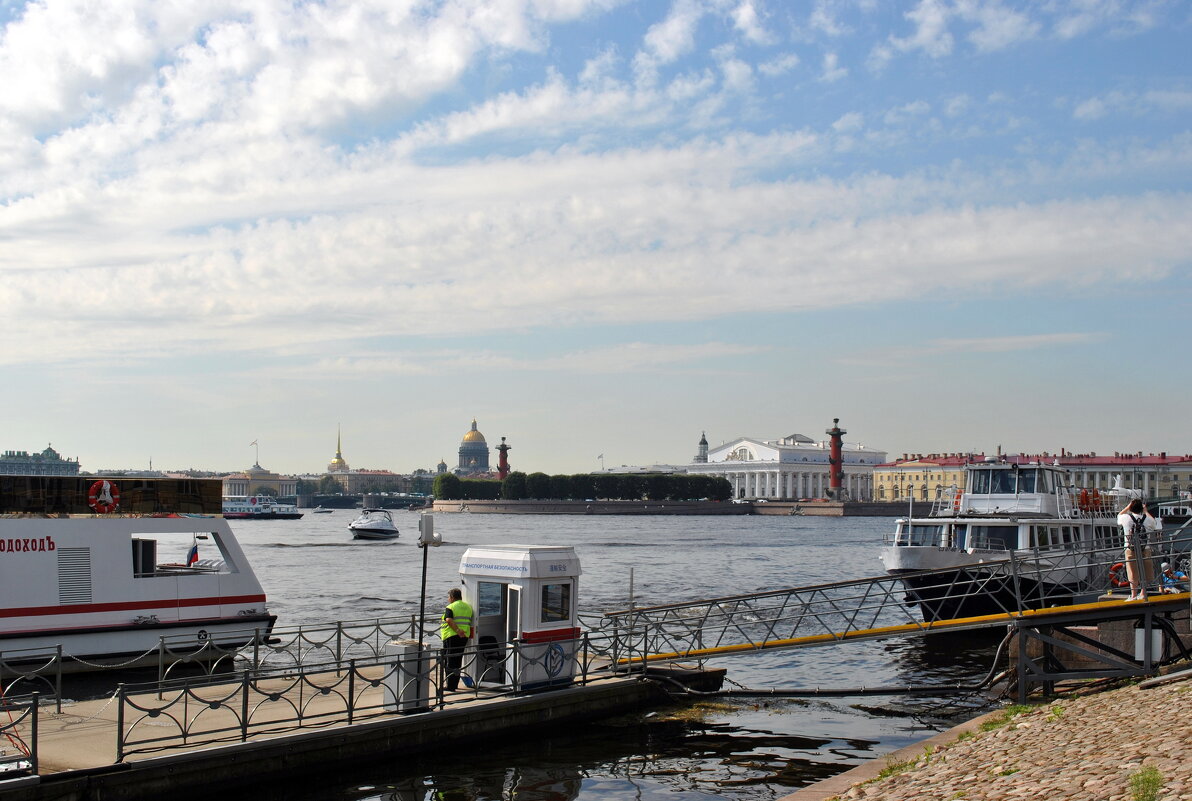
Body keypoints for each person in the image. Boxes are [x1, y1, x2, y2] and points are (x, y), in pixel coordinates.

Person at [1117, 498, 1160, 601]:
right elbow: (1154, 524)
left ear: (1131, 508)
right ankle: (1143, 593)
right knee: (1144, 571)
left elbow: (1118, 516)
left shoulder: (1126, 518)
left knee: (1132, 571)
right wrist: (1145, 511)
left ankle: (1133, 595)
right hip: (1145, 548)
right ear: (1142, 508)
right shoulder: (1148, 519)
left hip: (1130, 548)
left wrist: (1128, 507)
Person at [440, 587, 473, 691]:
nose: (448, 599)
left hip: (451, 636)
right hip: (464, 637)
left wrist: (457, 630)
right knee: (457, 661)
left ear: (452, 597)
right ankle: (455, 684)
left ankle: (450, 686)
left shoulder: (451, 607)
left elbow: (449, 620)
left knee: (450, 661)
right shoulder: (468, 607)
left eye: (448, 597)